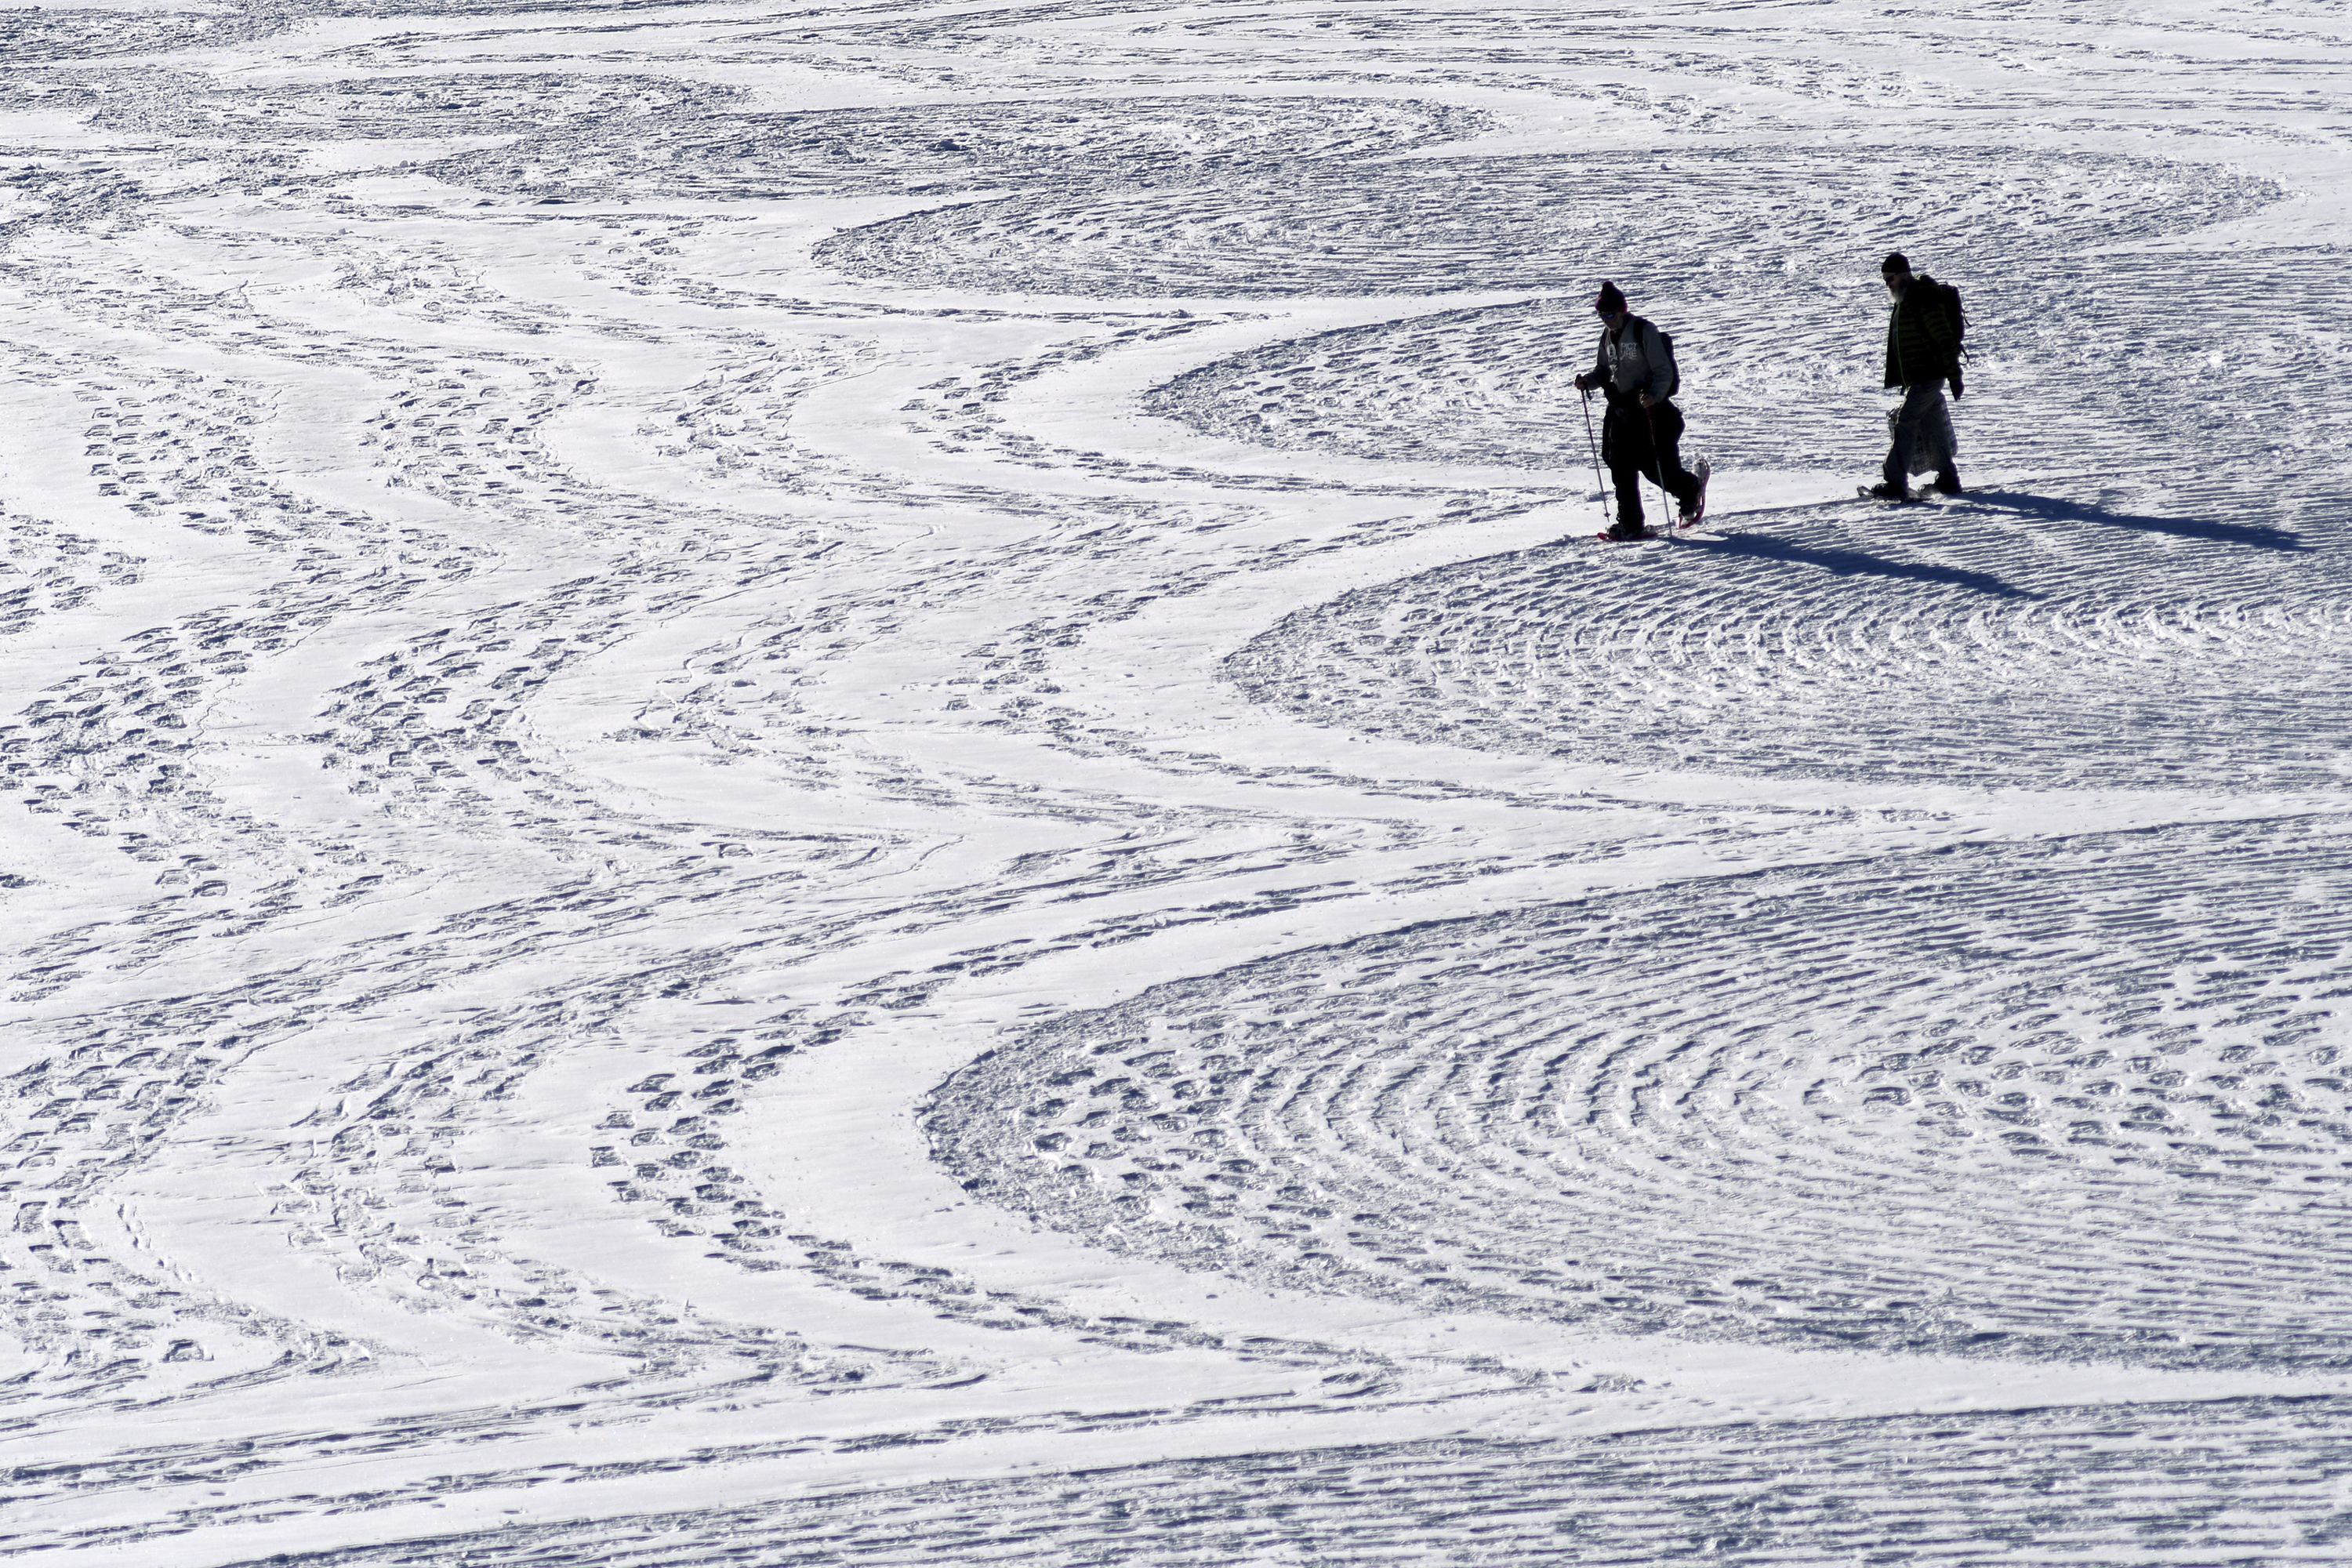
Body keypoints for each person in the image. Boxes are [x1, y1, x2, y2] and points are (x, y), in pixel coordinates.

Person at [1573, 281, 1707, 540]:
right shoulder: (1607, 338)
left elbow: (1663, 371)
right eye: (1601, 314)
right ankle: (1631, 523)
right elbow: (1604, 371)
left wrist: (1654, 396)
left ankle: (1690, 489)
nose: (1606, 319)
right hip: (1622, 411)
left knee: (1656, 469)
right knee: (1620, 466)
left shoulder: (1644, 331)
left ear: (1622, 310)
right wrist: (1587, 382)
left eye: (1610, 313)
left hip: (1650, 411)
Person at [1871, 252, 1962, 499]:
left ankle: (1894, 482)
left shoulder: (1921, 297)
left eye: (1889, 278)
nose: (1887, 284)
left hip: (1928, 375)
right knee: (1932, 425)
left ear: (1902, 274)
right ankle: (1948, 478)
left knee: (1906, 423)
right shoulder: (1907, 297)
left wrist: (1955, 375)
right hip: (1922, 377)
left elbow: (1943, 337)